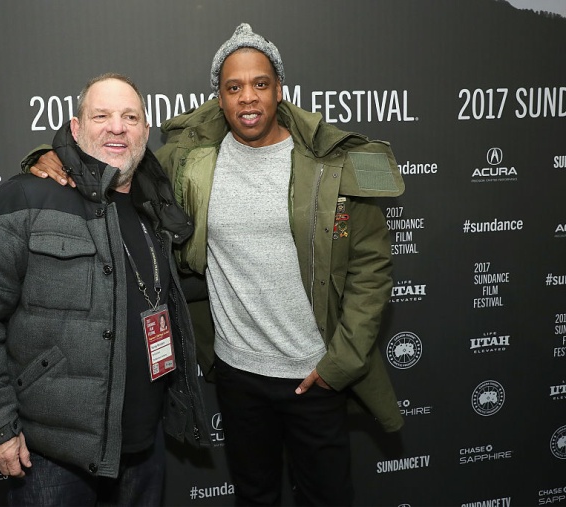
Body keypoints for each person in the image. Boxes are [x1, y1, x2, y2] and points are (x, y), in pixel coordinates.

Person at [24, 24, 405, 506]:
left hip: (316, 375)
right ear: (219, 98)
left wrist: (340, 363)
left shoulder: (330, 161)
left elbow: (372, 267)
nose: (249, 97)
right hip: (238, 376)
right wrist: (46, 157)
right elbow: (113, 159)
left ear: (280, 89)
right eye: (234, 87)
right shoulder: (190, 160)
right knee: (254, 496)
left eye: (260, 84)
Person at [0, 73, 210, 507]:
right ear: (75, 127)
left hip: (144, 445)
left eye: (130, 117)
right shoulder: (28, 197)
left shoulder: (156, 206)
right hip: (51, 456)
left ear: (146, 130)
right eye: (101, 115)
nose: (117, 127)